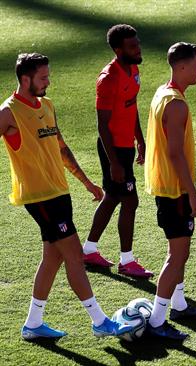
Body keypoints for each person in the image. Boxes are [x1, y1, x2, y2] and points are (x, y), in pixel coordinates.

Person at [0, 53, 132, 339]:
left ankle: (33, 324)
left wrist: (86, 182)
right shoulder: (8, 113)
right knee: (73, 254)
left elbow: (61, 148)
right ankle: (99, 321)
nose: (49, 81)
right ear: (26, 79)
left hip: (60, 192)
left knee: (53, 258)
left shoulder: (46, 105)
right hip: (39, 197)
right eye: (43, 77)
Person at [143, 42, 196, 340]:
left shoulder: (163, 93)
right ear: (181, 67)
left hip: (167, 188)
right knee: (177, 255)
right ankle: (158, 321)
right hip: (175, 192)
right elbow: (175, 153)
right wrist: (192, 193)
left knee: (181, 252)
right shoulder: (177, 104)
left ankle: (180, 304)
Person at [81, 24, 153, 278]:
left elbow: (130, 107)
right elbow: (102, 125)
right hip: (113, 149)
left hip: (125, 147)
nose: (138, 49)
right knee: (130, 200)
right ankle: (127, 261)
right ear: (117, 49)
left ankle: (88, 250)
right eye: (132, 46)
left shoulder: (132, 69)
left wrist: (140, 140)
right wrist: (114, 162)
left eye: (138, 44)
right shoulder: (108, 79)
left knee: (112, 197)